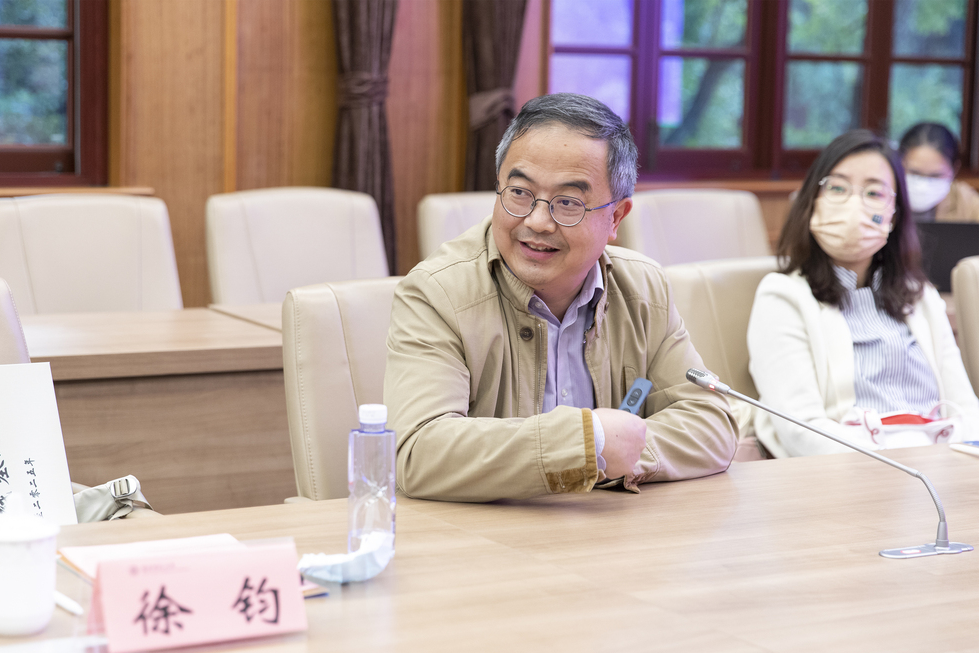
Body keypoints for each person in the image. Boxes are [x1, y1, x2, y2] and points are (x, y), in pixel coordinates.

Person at [383, 93, 737, 502]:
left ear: (615, 218)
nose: (537, 221)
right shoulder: (437, 293)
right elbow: (419, 452)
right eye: (519, 192)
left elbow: (711, 423)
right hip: (482, 534)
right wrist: (589, 445)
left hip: (607, 531)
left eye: (567, 203)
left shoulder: (643, 288)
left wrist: (609, 456)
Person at [748, 129, 979, 458]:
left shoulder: (921, 297)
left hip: (941, 464)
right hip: (852, 471)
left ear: (894, 214)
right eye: (837, 188)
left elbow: (967, 411)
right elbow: (800, 430)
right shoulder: (782, 297)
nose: (854, 205)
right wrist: (897, 465)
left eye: (874, 192)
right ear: (811, 201)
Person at [899, 122, 979, 222]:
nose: (923, 185)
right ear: (898, 164)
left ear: (955, 169)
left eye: (935, 175)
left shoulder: (967, 204)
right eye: (914, 172)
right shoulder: (884, 195)